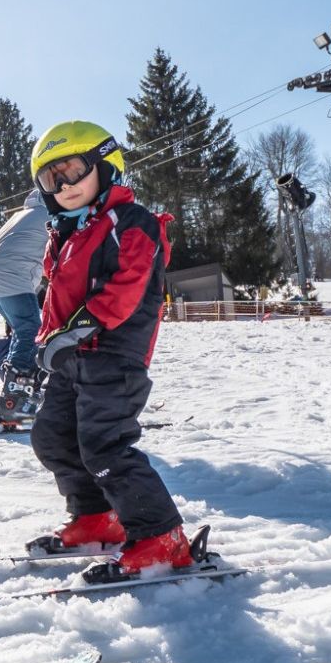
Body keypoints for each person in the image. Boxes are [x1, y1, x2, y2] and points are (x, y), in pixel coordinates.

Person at [26, 122, 196, 582]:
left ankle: (162, 536)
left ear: (104, 164)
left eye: (72, 171)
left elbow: (123, 291)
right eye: (51, 179)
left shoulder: (131, 221)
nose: (63, 186)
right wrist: (46, 341)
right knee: (52, 438)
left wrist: (75, 332)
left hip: (113, 356)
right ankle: (96, 517)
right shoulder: (67, 233)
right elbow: (54, 298)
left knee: (105, 446)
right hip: (72, 358)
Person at [0, 188, 48, 424]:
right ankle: (14, 399)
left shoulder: (24, 215)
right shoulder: (51, 214)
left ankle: (13, 393)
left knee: (22, 331)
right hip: (10, 274)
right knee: (31, 329)